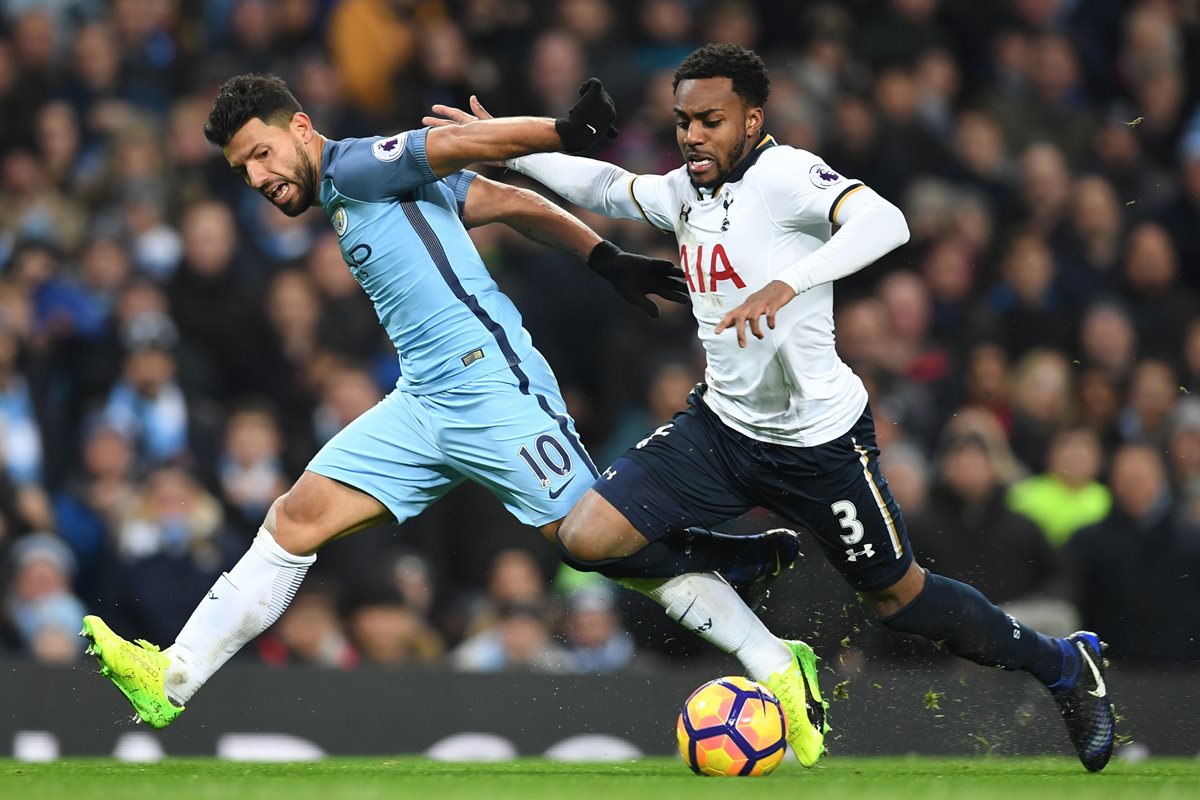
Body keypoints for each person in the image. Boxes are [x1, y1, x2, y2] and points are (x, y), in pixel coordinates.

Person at [79, 72, 816, 757]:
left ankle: (778, 664)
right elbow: (507, 201)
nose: (260, 179)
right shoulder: (358, 191)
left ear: (301, 127)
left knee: (599, 544)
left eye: (263, 155)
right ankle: (171, 678)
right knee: (295, 518)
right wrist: (604, 258)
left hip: (493, 389)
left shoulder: (361, 163)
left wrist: (562, 133)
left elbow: (461, 141)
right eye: (244, 170)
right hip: (423, 400)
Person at [426, 43, 1116, 771]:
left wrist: (789, 283)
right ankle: (744, 555)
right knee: (586, 538)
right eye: (684, 120)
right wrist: (515, 147)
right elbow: (611, 188)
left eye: (711, 121)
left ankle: (1065, 667)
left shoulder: (787, 176)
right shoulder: (690, 191)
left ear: (753, 120)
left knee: (901, 602)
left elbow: (887, 223)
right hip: (721, 430)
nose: (692, 135)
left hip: (820, 446)